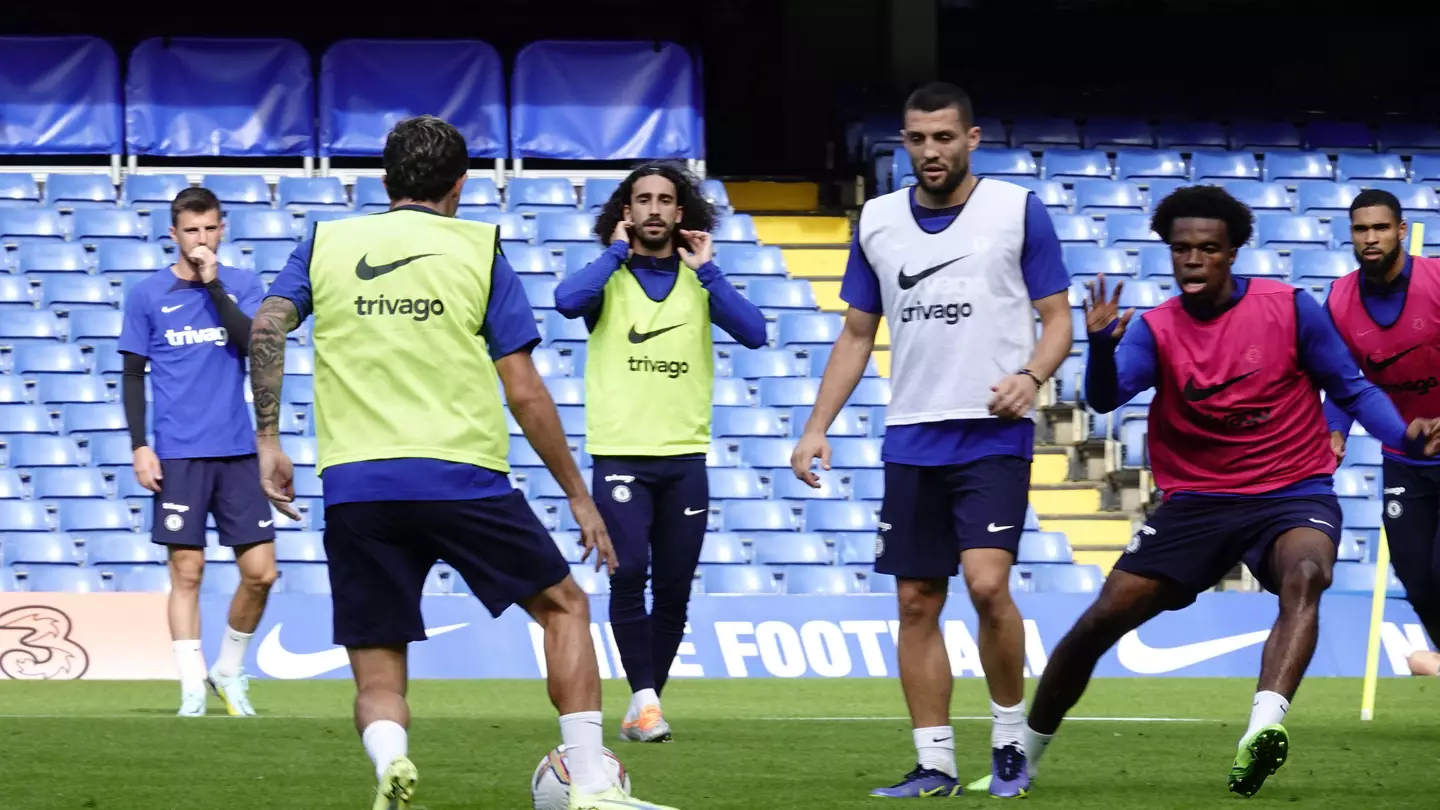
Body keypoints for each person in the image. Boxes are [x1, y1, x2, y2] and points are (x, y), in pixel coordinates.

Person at [248, 115, 679, 810]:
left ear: (384, 183)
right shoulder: (480, 249)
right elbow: (524, 388)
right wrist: (576, 492)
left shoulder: (327, 241)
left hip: (358, 484)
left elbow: (268, 323)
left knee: (380, 669)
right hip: (460, 477)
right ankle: (593, 785)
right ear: (461, 185)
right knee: (564, 607)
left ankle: (391, 763)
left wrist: (269, 439)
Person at [1019, 185, 1440, 799]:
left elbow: (1350, 388)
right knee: (1100, 620)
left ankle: (1261, 731)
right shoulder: (1156, 329)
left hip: (1292, 491)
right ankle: (1021, 757)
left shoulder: (1291, 307)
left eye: (1208, 248)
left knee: (1307, 573)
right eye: (1181, 249)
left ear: (1234, 251)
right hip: (1199, 503)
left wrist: (1402, 432)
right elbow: (1106, 397)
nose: (1192, 259)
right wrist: (1102, 348)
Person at [790, 81, 1073, 799]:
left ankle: (1010, 741)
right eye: (917, 139)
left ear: (970, 139)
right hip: (912, 434)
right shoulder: (879, 220)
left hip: (991, 432)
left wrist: (1032, 377)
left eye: (944, 137)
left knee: (986, 585)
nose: (930, 151)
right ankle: (935, 762)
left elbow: (1058, 319)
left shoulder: (1016, 211)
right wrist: (816, 428)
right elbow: (858, 333)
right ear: (904, 142)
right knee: (916, 601)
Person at [553, 162, 767, 743]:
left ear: (680, 213)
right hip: (621, 455)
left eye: (664, 200)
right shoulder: (608, 279)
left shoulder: (700, 281)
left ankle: (646, 702)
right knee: (632, 575)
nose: (653, 209)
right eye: (641, 199)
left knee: (673, 587)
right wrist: (613, 254)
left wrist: (710, 269)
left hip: (684, 460)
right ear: (628, 212)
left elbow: (755, 332)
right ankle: (646, 704)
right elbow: (565, 300)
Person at [118, 187, 278, 718]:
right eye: (191, 230)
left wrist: (214, 287)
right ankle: (191, 687)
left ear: (222, 229)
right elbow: (133, 375)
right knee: (186, 574)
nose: (201, 239)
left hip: (236, 450)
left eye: (210, 228)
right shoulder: (146, 296)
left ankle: (228, 669)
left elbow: (252, 345)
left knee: (261, 572)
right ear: (174, 234)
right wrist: (141, 445)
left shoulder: (243, 285)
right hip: (180, 454)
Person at [1325, 189, 1440, 652]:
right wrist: (1333, 431)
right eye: (1360, 229)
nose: (1370, 238)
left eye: (1380, 227)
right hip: (1404, 461)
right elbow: (1340, 380)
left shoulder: (1436, 281)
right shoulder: (1339, 299)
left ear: (1401, 230)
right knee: (1418, 582)